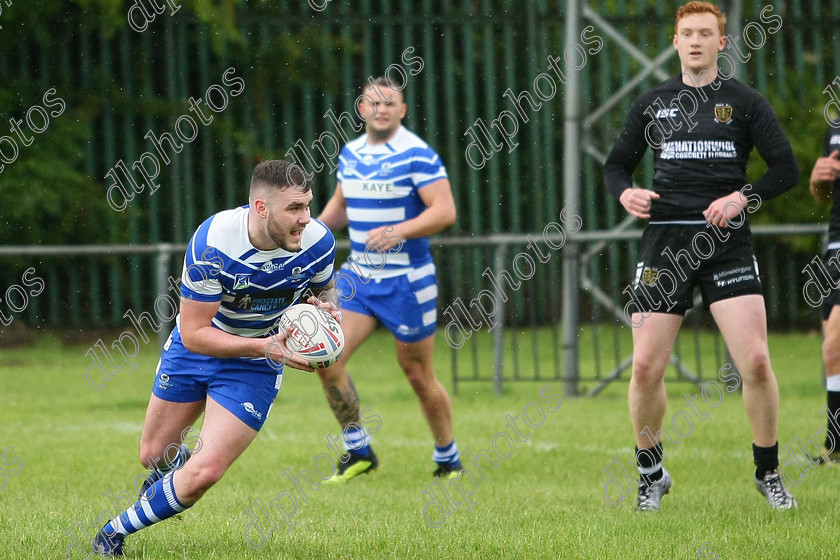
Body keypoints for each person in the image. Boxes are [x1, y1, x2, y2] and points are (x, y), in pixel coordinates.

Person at [604, 1, 799, 511]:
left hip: (725, 242)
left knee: (756, 361)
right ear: (675, 43)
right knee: (645, 369)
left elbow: (785, 168)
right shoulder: (652, 104)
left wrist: (742, 198)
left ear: (722, 43)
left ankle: (768, 472)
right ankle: (651, 475)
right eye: (686, 33)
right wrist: (625, 193)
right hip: (666, 243)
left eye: (705, 33)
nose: (695, 41)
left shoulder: (745, 101)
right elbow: (616, 166)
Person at [92, 160, 341, 556]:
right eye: (294, 208)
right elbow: (194, 333)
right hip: (200, 347)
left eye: (308, 205)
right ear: (261, 209)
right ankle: (176, 466)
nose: (306, 219)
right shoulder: (214, 243)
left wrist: (326, 310)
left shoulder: (318, 242)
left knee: (205, 472)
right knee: (153, 456)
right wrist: (265, 346)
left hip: (256, 364)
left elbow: (326, 289)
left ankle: (112, 532)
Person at [315, 76, 462, 481]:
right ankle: (357, 449)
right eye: (373, 103)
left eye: (389, 103)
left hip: (407, 281)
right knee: (326, 356)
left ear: (402, 110)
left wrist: (401, 230)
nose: (381, 109)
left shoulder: (417, 154)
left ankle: (448, 458)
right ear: (362, 109)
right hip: (359, 277)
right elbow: (342, 205)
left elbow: (445, 211)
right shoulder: (351, 153)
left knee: (417, 374)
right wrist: (309, 235)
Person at [808, 124, 840, 463]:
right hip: (834, 251)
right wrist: (818, 180)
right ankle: (836, 445)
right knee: (832, 354)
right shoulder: (834, 128)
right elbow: (823, 196)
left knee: (834, 346)